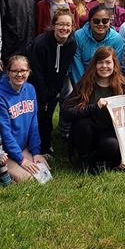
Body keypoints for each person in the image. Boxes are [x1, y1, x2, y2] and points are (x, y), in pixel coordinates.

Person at [61, 46, 125, 173]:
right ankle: (84, 161)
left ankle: (98, 161)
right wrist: (94, 107)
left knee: (111, 144)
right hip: (86, 134)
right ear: (95, 64)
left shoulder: (122, 87)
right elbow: (66, 113)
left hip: (108, 133)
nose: (104, 66)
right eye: (100, 62)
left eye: (108, 62)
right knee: (83, 123)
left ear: (114, 64)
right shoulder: (85, 84)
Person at [29, 8, 77, 156]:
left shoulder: (71, 44)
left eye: (68, 25)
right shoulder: (41, 43)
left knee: (48, 116)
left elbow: (62, 71)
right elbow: (36, 72)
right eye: (61, 24)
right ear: (54, 25)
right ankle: (36, 147)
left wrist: (53, 94)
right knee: (38, 117)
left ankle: (46, 145)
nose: (64, 28)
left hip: (54, 86)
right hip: (35, 85)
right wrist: (44, 96)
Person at [0, 54, 48, 182]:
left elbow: (33, 123)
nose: (19, 74)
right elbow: (4, 131)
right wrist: (21, 159)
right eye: (15, 71)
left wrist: (35, 152)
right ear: (8, 72)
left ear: (29, 72)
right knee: (28, 180)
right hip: (5, 151)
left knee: (43, 176)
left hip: (22, 148)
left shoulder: (30, 89)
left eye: (23, 70)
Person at [71, 4, 125, 83]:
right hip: (84, 79)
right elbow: (77, 66)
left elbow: (116, 66)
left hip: (107, 80)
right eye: (96, 21)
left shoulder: (117, 39)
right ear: (90, 21)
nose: (100, 24)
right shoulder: (78, 37)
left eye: (105, 21)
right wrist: (82, 87)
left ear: (110, 21)